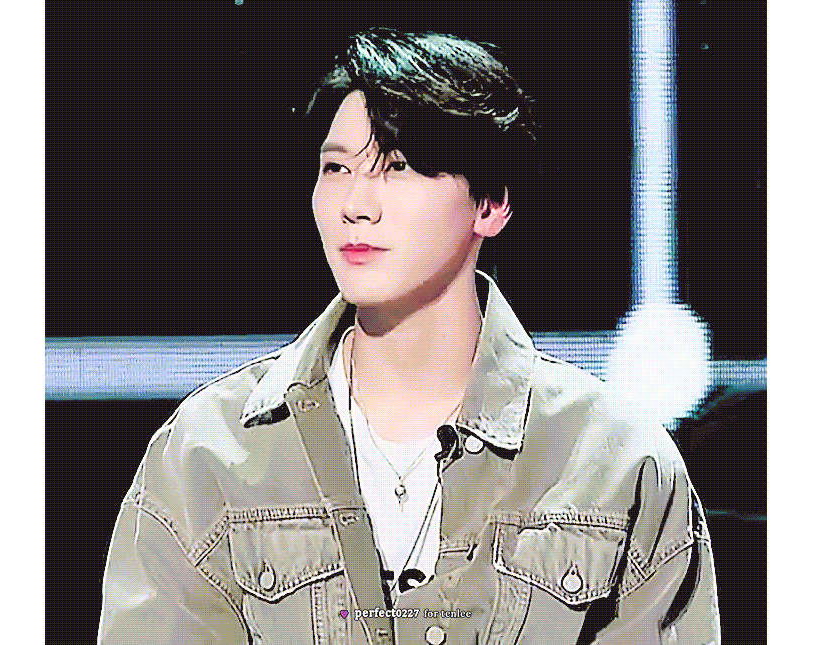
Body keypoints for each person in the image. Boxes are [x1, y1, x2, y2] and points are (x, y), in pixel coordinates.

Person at [98, 28, 720, 645]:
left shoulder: (614, 465)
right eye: (336, 168)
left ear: (490, 205)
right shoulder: (209, 453)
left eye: (396, 167)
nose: (356, 204)